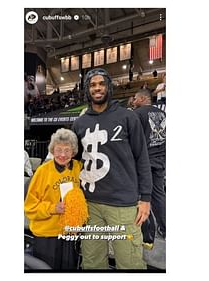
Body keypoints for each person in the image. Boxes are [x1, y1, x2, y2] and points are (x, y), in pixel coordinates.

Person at [72, 68, 152, 270]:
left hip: (123, 205)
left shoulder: (127, 117)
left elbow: (142, 157)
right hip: (90, 204)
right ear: (87, 90)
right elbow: (76, 161)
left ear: (108, 87)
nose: (97, 88)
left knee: (130, 263)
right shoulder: (80, 123)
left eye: (101, 84)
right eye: (92, 85)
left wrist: (146, 198)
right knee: (92, 262)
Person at [24, 128, 85, 270]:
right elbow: (30, 207)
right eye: (58, 150)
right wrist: (53, 208)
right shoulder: (42, 172)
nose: (62, 155)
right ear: (52, 150)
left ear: (74, 151)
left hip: (70, 233)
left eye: (67, 150)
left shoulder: (78, 168)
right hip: (47, 236)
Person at [132, 89, 166, 240]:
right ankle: (165, 227)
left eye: (135, 98)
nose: (133, 101)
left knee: (140, 198)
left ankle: (144, 232)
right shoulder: (163, 114)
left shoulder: (138, 114)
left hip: (144, 163)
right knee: (159, 195)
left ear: (143, 98)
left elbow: (133, 140)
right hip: (160, 160)